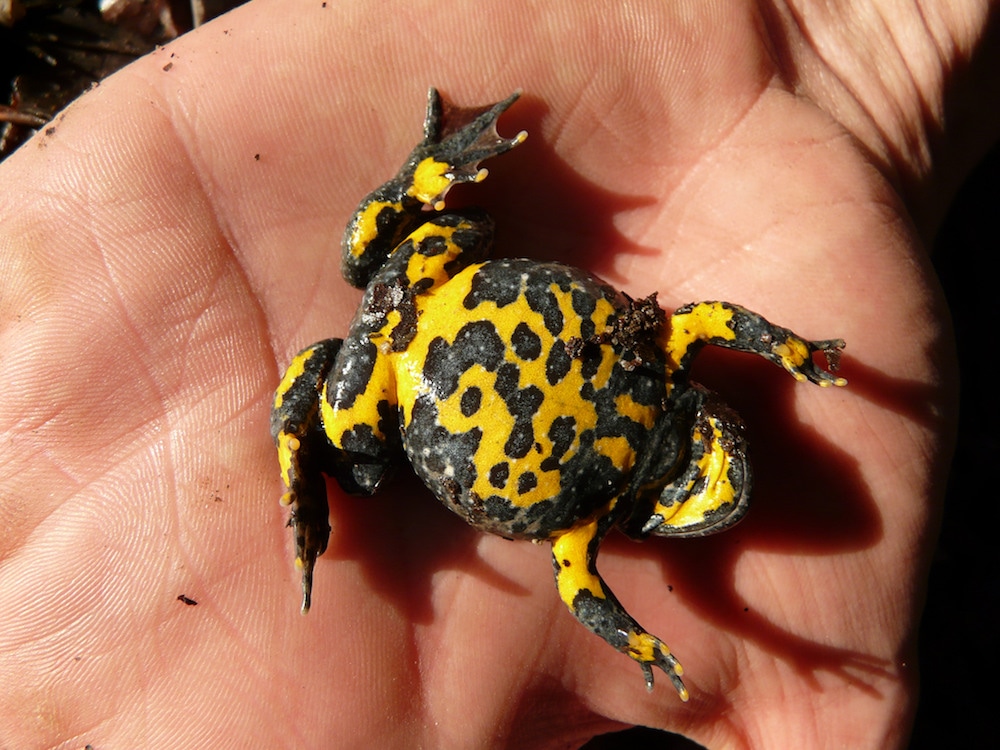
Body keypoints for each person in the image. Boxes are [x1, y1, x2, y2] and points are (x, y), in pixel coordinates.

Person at [0, 2, 993, 747]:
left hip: (419, 313)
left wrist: (793, 359)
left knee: (379, 388)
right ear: (694, 417)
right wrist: (794, 354)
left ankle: (402, 223)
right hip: (413, 328)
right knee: (373, 409)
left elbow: (591, 591)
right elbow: (714, 332)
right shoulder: (611, 470)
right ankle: (323, 380)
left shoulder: (589, 505)